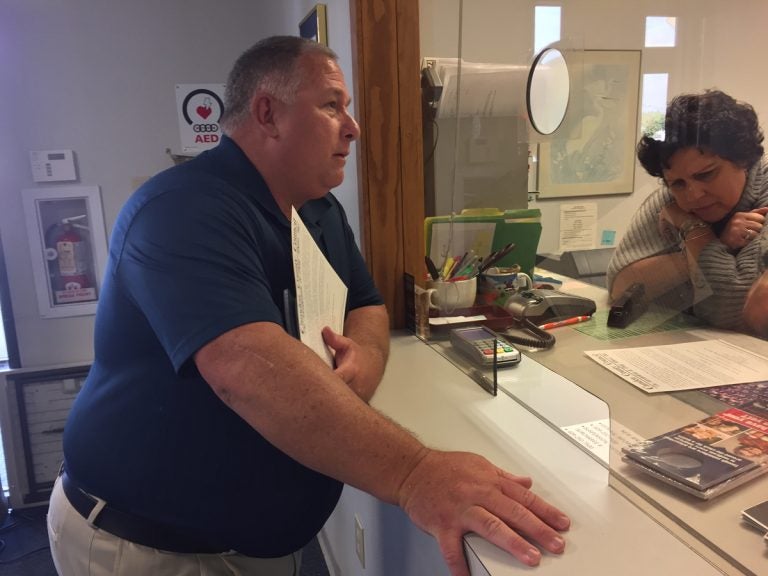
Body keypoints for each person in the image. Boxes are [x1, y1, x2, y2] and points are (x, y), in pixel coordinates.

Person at [47, 36, 570, 576]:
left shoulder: (318, 210)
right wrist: (416, 473)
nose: (353, 126)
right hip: (152, 548)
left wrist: (364, 358)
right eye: (331, 105)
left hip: (259, 544)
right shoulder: (181, 210)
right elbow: (247, 370)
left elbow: (366, 303)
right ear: (268, 114)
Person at [606, 89, 768, 332]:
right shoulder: (669, 198)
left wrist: (692, 229)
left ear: (743, 160)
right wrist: (702, 242)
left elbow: (730, 309)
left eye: (706, 174)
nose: (693, 195)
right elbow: (621, 287)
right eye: (678, 183)